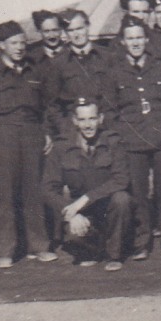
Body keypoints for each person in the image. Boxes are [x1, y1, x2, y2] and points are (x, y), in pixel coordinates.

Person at [0, 21, 58, 268]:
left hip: (31, 134)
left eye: (22, 42)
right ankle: (6, 250)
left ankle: (39, 246)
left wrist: (46, 132)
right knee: (5, 196)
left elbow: (46, 106)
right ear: (0, 45)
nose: (19, 48)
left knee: (33, 192)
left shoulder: (34, 71)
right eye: (13, 43)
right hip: (2, 136)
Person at [106, 15, 161, 257]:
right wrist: (119, 138)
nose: (136, 42)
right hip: (132, 142)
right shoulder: (115, 72)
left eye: (139, 37)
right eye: (130, 38)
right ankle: (142, 243)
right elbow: (110, 110)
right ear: (122, 42)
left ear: (146, 40)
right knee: (138, 193)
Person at [42, 98, 133, 271]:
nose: (88, 125)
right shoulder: (62, 146)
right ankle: (93, 251)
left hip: (108, 208)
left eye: (92, 119)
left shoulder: (113, 141)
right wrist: (70, 212)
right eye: (82, 120)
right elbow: (48, 189)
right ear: (75, 121)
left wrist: (86, 198)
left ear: (100, 119)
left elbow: (121, 179)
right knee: (74, 235)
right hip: (82, 212)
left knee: (122, 199)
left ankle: (114, 255)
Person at [47, 9, 114, 137]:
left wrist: (109, 124)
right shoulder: (58, 62)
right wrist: (66, 129)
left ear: (87, 26)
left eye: (79, 28)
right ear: (65, 33)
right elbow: (52, 105)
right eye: (71, 31)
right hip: (73, 131)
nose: (76, 34)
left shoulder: (107, 56)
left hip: (105, 128)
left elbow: (115, 96)